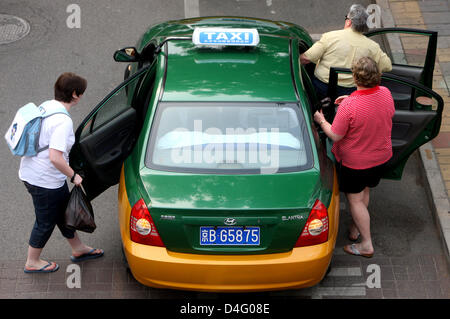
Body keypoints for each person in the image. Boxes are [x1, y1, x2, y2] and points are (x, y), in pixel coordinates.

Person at [20, 72, 104, 273]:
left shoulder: (47, 106)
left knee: (63, 212)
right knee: (45, 221)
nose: (81, 96)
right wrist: (74, 175)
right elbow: (55, 157)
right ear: (75, 94)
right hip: (44, 181)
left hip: (35, 173)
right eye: (81, 93)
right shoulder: (63, 121)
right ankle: (32, 262)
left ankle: (78, 248)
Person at [313, 57, 395, 258]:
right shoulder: (385, 93)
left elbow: (335, 135)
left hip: (356, 163)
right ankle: (355, 228)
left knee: (355, 200)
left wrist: (321, 120)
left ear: (355, 77)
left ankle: (366, 244)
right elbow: (375, 108)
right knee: (364, 191)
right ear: (378, 75)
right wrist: (350, 99)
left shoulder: (349, 106)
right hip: (381, 156)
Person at [300, 4, 392, 100]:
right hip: (351, 92)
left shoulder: (330, 37)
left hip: (322, 87)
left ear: (349, 22)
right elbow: (387, 66)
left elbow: (306, 58)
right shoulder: (373, 47)